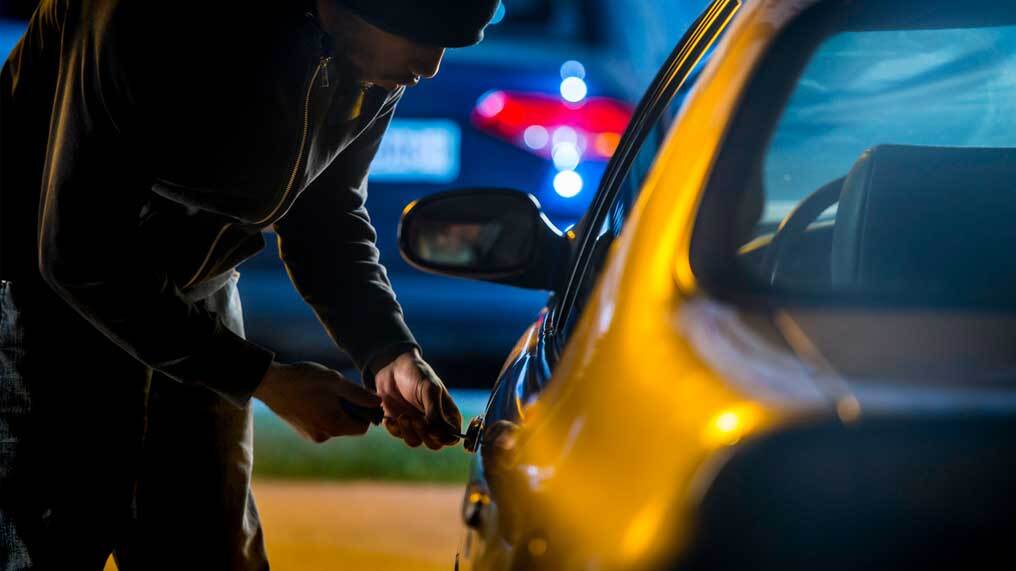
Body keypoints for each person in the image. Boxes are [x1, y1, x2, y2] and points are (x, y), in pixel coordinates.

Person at [0, 0, 499, 568]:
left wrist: (388, 351)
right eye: (422, 33)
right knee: (46, 540)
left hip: (196, 294)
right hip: (36, 299)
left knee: (211, 548)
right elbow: (80, 250)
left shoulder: (373, 61)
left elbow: (326, 215)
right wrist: (263, 379)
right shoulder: (144, 19)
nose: (431, 65)